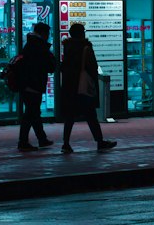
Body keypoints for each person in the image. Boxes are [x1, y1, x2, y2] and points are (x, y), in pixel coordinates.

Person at [60, 23, 116, 153]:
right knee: (91, 116)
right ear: (82, 33)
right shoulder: (86, 47)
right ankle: (100, 141)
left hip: (70, 87)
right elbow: (93, 66)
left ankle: (66, 144)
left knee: (70, 116)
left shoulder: (67, 47)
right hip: (83, 88)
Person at [17, 22, 57, 151]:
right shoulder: (38, 46)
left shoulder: (30, 44)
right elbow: (49, 66)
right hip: (33, 84)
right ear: (43, 33)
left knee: (33, 112)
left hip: (28, 83)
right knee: (31, 113)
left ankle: (41, 139)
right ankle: (23, 142)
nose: (49, 36)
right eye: (48, 34)